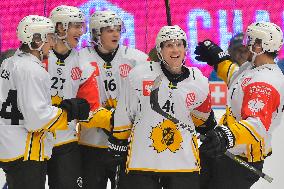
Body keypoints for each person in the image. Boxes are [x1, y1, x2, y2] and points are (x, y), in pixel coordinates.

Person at [109, 25, 216, 189]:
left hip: (183, 164)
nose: (175, 50)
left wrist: (210, 129)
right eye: (169, 45)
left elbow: (203, 122)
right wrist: (118, 144)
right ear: (159, 50)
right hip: (143, 163)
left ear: (185, 48)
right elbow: (125, 113)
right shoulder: (139, 75)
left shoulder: (199, 81)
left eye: (179, 44)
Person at [0, 15, 89, 189]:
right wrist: (68, 112)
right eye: (49, 37)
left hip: (9, 146)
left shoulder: (9, 63)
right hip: (27, 151)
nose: (53, 43)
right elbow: (36, 119)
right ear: (36, 40)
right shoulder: (33, 70)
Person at [194, 21, 284, 189]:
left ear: (259, 47)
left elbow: (256, 125)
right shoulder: (253, 67)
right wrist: (219, 59)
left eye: (249, 41)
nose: (245, 44)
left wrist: (225, 135)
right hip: (224, 149)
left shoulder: (266, 83)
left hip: (240, 161)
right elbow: (237, 80)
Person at [78, 10, 149, 189]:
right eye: (109, 30)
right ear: (96, 33)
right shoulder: (80, 58)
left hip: (125, 143)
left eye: (117, 28)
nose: (116, 33)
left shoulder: (137, 59)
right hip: (91, 144)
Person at [47, 5, 99, 189]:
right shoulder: (38, 57)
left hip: (65, 139)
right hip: (33, 140)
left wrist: (116, 123)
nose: (81, 31)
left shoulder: (83, 63)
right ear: (60, 27)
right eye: (76, 26)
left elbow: (92, 107)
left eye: (82, 26)